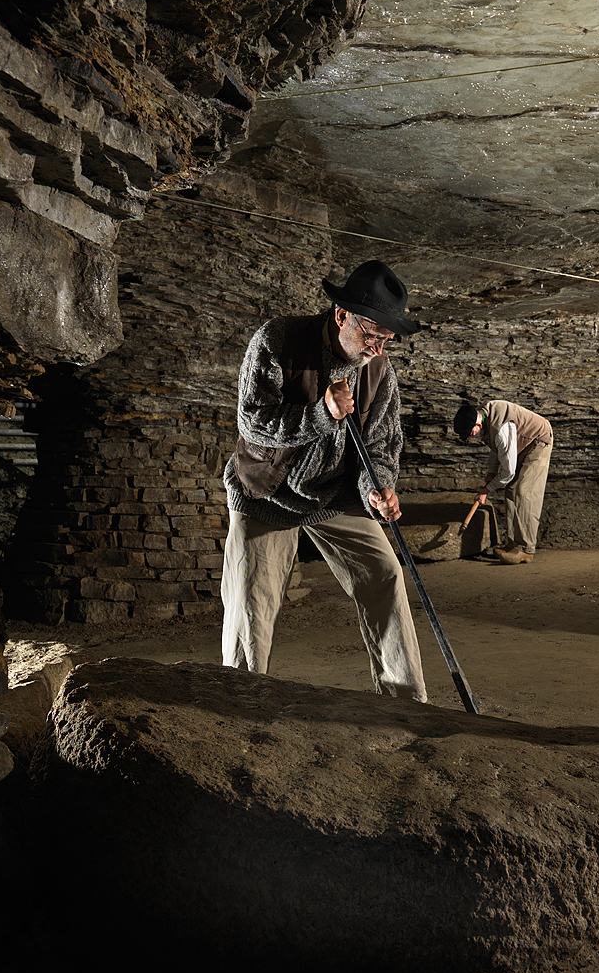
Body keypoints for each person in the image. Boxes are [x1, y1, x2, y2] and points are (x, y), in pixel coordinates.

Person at [221, 259, 427, 702]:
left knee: (385, 573)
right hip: (268, 494)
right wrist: (321, 414)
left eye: (387, 338)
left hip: (333, 494)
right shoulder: (277, 341)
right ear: (341, 316)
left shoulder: (378, 368)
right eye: (372, 333)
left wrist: (378, 488)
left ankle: (407, 703)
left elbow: (383, 444)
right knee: (250, 614)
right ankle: (238, 703)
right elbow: (253, 423)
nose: (377, 346)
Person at [453, 400, 554, 565]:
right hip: (523, 444)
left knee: (524, 492)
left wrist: (487, 490)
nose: (470, 437)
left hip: (538, 440)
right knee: (511, 490)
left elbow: (508, 470)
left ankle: (526, 549)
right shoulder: (486, 421)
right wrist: (492, 472)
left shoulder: (500, 427)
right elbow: (498, 450)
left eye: (470, 433)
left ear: (477, 423)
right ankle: (513, 544)